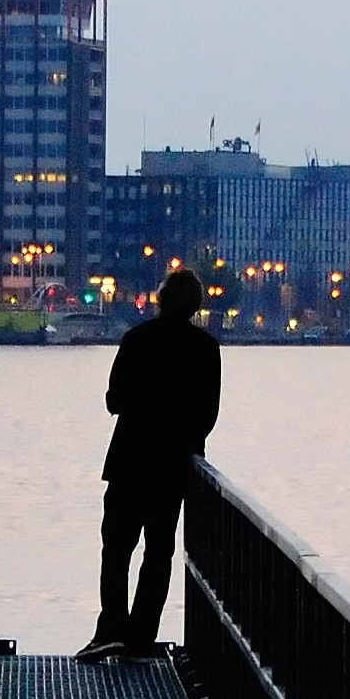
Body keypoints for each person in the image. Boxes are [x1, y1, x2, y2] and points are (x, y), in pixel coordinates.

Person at [78, 268, 221, 662]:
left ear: (159, 299)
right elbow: (208, 414)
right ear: (196, 305)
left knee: (117, 548)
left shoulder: (137, 339)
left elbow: (114, 400)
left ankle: (111, 629)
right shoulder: (206, 348)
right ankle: (142, 636)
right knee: (159, 552)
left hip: (130, 460)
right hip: (174, 467)